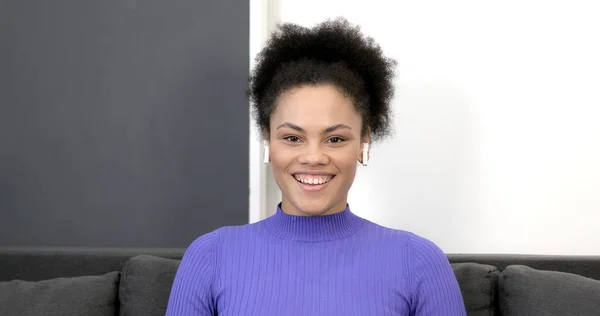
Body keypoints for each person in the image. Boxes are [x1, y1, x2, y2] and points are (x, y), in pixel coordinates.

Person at [166, 18, 466, 315]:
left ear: (364, 141)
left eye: (335, 138)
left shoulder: (418, 262)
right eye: (293, 137)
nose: (313, 157)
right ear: (268, 141)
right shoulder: (210, 256)